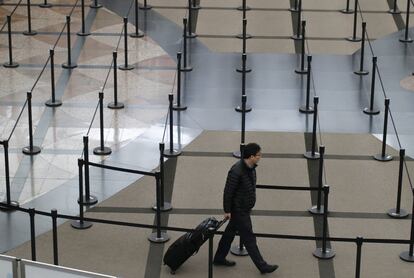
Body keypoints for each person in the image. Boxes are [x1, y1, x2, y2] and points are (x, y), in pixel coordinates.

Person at [213, 143, 278, 274]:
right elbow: (228, 192)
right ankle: (262, 266)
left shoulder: (251, 168)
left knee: (229, 234)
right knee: (249, 238)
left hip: (244, 207)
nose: (260, 157)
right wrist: (227, 210)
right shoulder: (236, 171)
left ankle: (219, 258)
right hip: (239, 210)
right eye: (258, 155)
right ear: (251, 156)